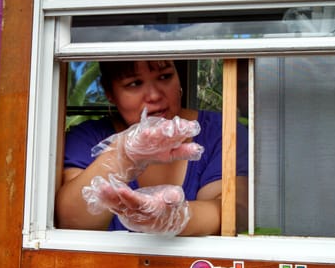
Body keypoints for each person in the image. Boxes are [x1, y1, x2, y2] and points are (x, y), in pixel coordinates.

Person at [55, 60, 248, 236]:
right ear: (110, 93)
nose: (154, 95)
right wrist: (123, 157)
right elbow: (72, 221)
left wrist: (174, 218)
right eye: (134, 83)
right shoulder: (87, 139)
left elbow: (232, 211)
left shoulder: (222, 131)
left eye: (165, 77)